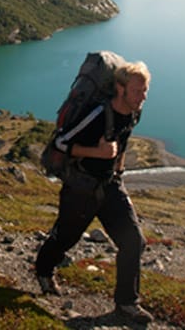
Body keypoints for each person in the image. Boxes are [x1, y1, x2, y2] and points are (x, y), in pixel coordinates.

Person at [34, 61, 154, 324]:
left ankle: (127, 304)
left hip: (110, 185)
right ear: (120, 89)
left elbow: (122, 142)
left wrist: (118, 173)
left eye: (145, 90)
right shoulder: (98, 114)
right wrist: (96, 153)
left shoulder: (134, 112)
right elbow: (60, 142)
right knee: (66, 237)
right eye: (137, 91)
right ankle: (43, 269)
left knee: (134, 241)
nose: (143, 97)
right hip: (82, 187)